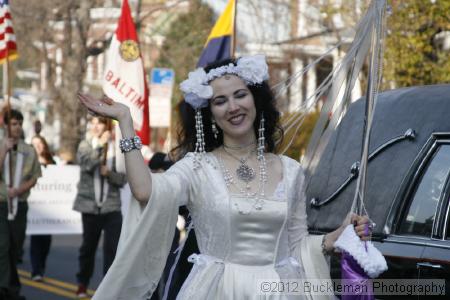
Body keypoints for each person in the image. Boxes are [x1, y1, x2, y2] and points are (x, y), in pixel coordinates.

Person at [78, 55, 372, 299]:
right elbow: (145, 192)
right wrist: (126, 124)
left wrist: (336, 236)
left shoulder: (290, 170)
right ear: (210, 114)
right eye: (220, 101)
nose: (233, 107)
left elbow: (296, 245)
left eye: (240, 95)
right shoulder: (197, 167)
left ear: (255, 100)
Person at [72, 117, 127, 298]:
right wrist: (99, 147)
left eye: (100, 123)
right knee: (88, 248)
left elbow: (122, 180)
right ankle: (82, 283)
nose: (95, 126)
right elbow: (87, 164)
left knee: (112, 249)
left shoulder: (116, 148)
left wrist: (109, 174)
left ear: (106, 125)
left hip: (111, 207)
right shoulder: (85, 145)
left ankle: (108, 287)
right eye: (92, 122)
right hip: (90, 206)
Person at [0, 109, 42, 300]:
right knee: (2, 246)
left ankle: (11, 286)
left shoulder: (29, 150)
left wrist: (19, 189)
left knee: (14, 249)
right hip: (1, 204)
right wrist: (3, 150)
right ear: (5, 125)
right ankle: (6, 289)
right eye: (13, 124)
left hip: (20, 204)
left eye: (19, 123)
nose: (16, 127)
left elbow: (35, 177)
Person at [29, 135, 55, 281]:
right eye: (34, 144)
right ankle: (36, 269)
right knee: (36, 238)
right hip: (35, 206)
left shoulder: (53, 162)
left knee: (46, 241)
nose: (37, 147)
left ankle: (41, 267)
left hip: (50, 207)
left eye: (40, 143)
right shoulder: (29, 162)